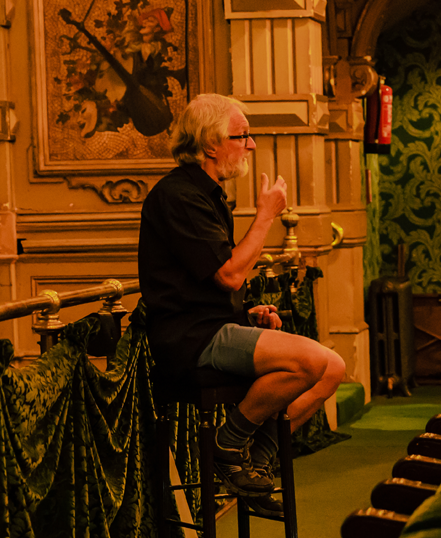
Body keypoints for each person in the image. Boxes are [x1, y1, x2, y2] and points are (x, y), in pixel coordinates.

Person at [138, 93, 345, 514]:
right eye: (242, 136)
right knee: (309, 361)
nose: (250, 145)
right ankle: (227, 447)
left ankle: (256, 469)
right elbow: (229, 273)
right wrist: (266, 215)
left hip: (213, 326)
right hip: (188, 340)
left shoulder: (210, 194)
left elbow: (210, 283)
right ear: (210, 144)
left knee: (334, 369)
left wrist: (246, 312)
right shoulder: (179, 196)